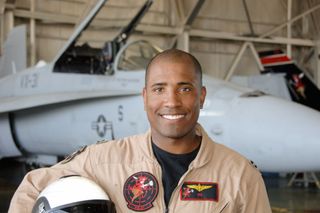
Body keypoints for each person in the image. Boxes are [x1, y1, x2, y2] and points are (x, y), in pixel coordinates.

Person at [9, 49, 272, 212]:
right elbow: (32, 186)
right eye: (159, 89)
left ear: (201, 97)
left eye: (185, 88)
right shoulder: (104, 159)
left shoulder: (241, 176)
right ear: (145, 97)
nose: (172, 101)